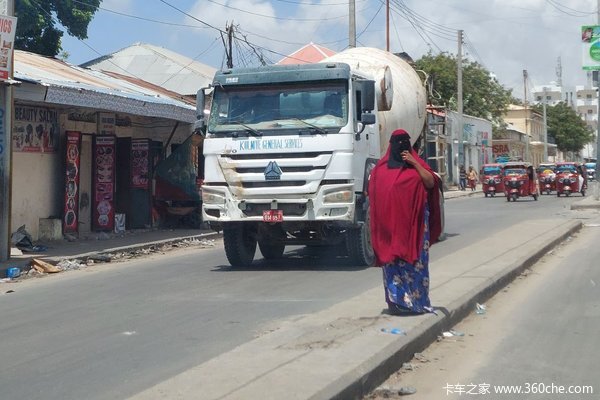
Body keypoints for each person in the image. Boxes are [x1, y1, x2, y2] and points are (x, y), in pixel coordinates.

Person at [368, 129, 443, 315]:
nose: (401, 147)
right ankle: (398, 303)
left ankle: (417, 303)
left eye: (405, 143)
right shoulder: (380, 170)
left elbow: (431, 183)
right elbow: (375, 198)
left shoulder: (418, 166)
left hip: (416, 229)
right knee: (393, 265)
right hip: (390, 229)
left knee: (417, 264)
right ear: (391, 145)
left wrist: (414, 163)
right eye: (398, 142)